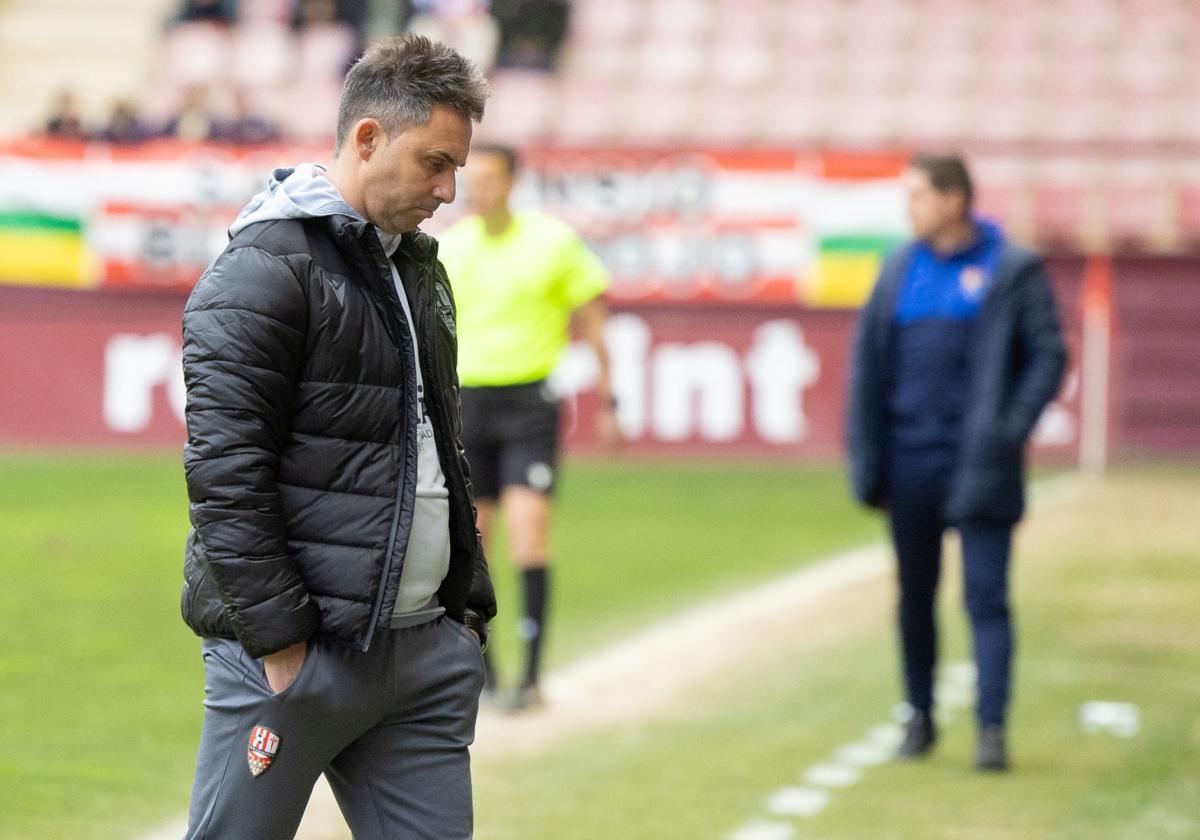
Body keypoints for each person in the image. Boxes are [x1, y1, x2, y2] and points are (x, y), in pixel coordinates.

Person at [179, 34, 496, 839]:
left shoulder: (418, 265)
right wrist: (283, 646)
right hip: (302, 656)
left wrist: (463, 617)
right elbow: (225, 474)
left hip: (422, 656)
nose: (450, 189)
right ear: (367, 139)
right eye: (434, 162)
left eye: (457, 165)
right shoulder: (263, 269)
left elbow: (438, 444)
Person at [845, 154, 1066, 772]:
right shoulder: (897, 268)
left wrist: (1008, 430)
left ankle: (991, 730)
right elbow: (868, 363)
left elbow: (1047, 356)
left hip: (981, 464)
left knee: (986, 597)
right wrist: (869, 454)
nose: (908, 207)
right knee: (915, 595)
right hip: (909, 460)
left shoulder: (1012, 268)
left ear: (954, 199)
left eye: (917, 195)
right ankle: (918, 716)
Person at [438, 142, 617, 711]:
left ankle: (532, 676)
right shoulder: (449, 247)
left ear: (514, 182)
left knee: (528, 532)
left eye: (491, 178)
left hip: (528, 403)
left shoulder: (551, 241)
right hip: (468, 402)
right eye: (474, 178)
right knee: (471, 539)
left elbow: (591, 314)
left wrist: (611, 396)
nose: (479, 189)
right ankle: (484, 670)